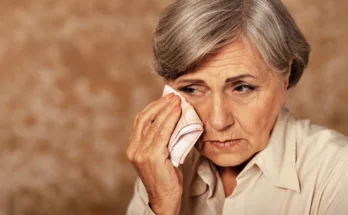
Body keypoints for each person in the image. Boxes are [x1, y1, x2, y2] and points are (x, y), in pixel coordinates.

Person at [126, 0, 348, 214]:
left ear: (286, 77)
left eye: (242, 88)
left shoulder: (337, 172)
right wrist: (161, 204)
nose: (219, 121)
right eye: (192, 89)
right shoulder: (160, 169)